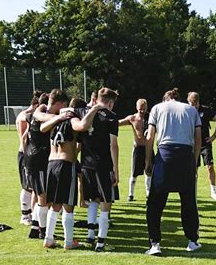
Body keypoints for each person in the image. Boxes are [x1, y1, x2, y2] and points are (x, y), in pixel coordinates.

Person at [39, 90, 102, 249]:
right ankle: (68, 242)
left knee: (55, 204)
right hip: (66, 165)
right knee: (68, 205)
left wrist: (58, 117)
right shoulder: (72, 118)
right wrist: (94, 110)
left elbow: (42, 128)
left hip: (51, 164)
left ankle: (48, 238)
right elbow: (82, 125)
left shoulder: (55, 119)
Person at [144, 88, 202, 255]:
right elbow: (198, 138)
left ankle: (155, 243)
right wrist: (195, 161)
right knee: (189, 201)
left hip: (165, 155)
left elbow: (150, 138)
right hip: (185, 157)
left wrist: (148, 161)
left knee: (155, 203)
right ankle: (192, 240)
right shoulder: (191, 110)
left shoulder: (157, 108)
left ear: (165, 98)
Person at [75, 88, 119, 252]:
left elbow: (67, 110)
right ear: (109, 103)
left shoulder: (83, 112)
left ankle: (90, 234)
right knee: (105, 203)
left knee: (92, 200)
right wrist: (115, 169)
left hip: (86, 164)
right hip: (103, 165)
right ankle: (101, 242)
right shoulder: (111, 117)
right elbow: (113, 145)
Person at [187, 92, 216, 201]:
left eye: (195, 102)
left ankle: (213, 191)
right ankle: (192, 191)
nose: (193, 105)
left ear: (198, 101)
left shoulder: (206, 110)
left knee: (210, 167)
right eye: (191, 102)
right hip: (192, 144)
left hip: (205, 144)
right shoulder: (186, 111)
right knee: (193, 168)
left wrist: (214, 136)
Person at [15, 91, 42, 225]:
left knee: (32, 186)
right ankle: (25, 215)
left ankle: (33, 214)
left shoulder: (30, 116)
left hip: (31, 153)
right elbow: (23, 139)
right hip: (25, 153)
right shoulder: (24, 116)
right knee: (27, 186)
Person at [118, 99, 152, 201]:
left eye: (144, 109)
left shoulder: (151, 118)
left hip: (148, 147)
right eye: (141, 109)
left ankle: (148, 193)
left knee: (149, 170)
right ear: (137, 108)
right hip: (138, 148)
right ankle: (130, 194)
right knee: (134, 172)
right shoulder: (132, 118)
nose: (142, 111)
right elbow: (118, 123)